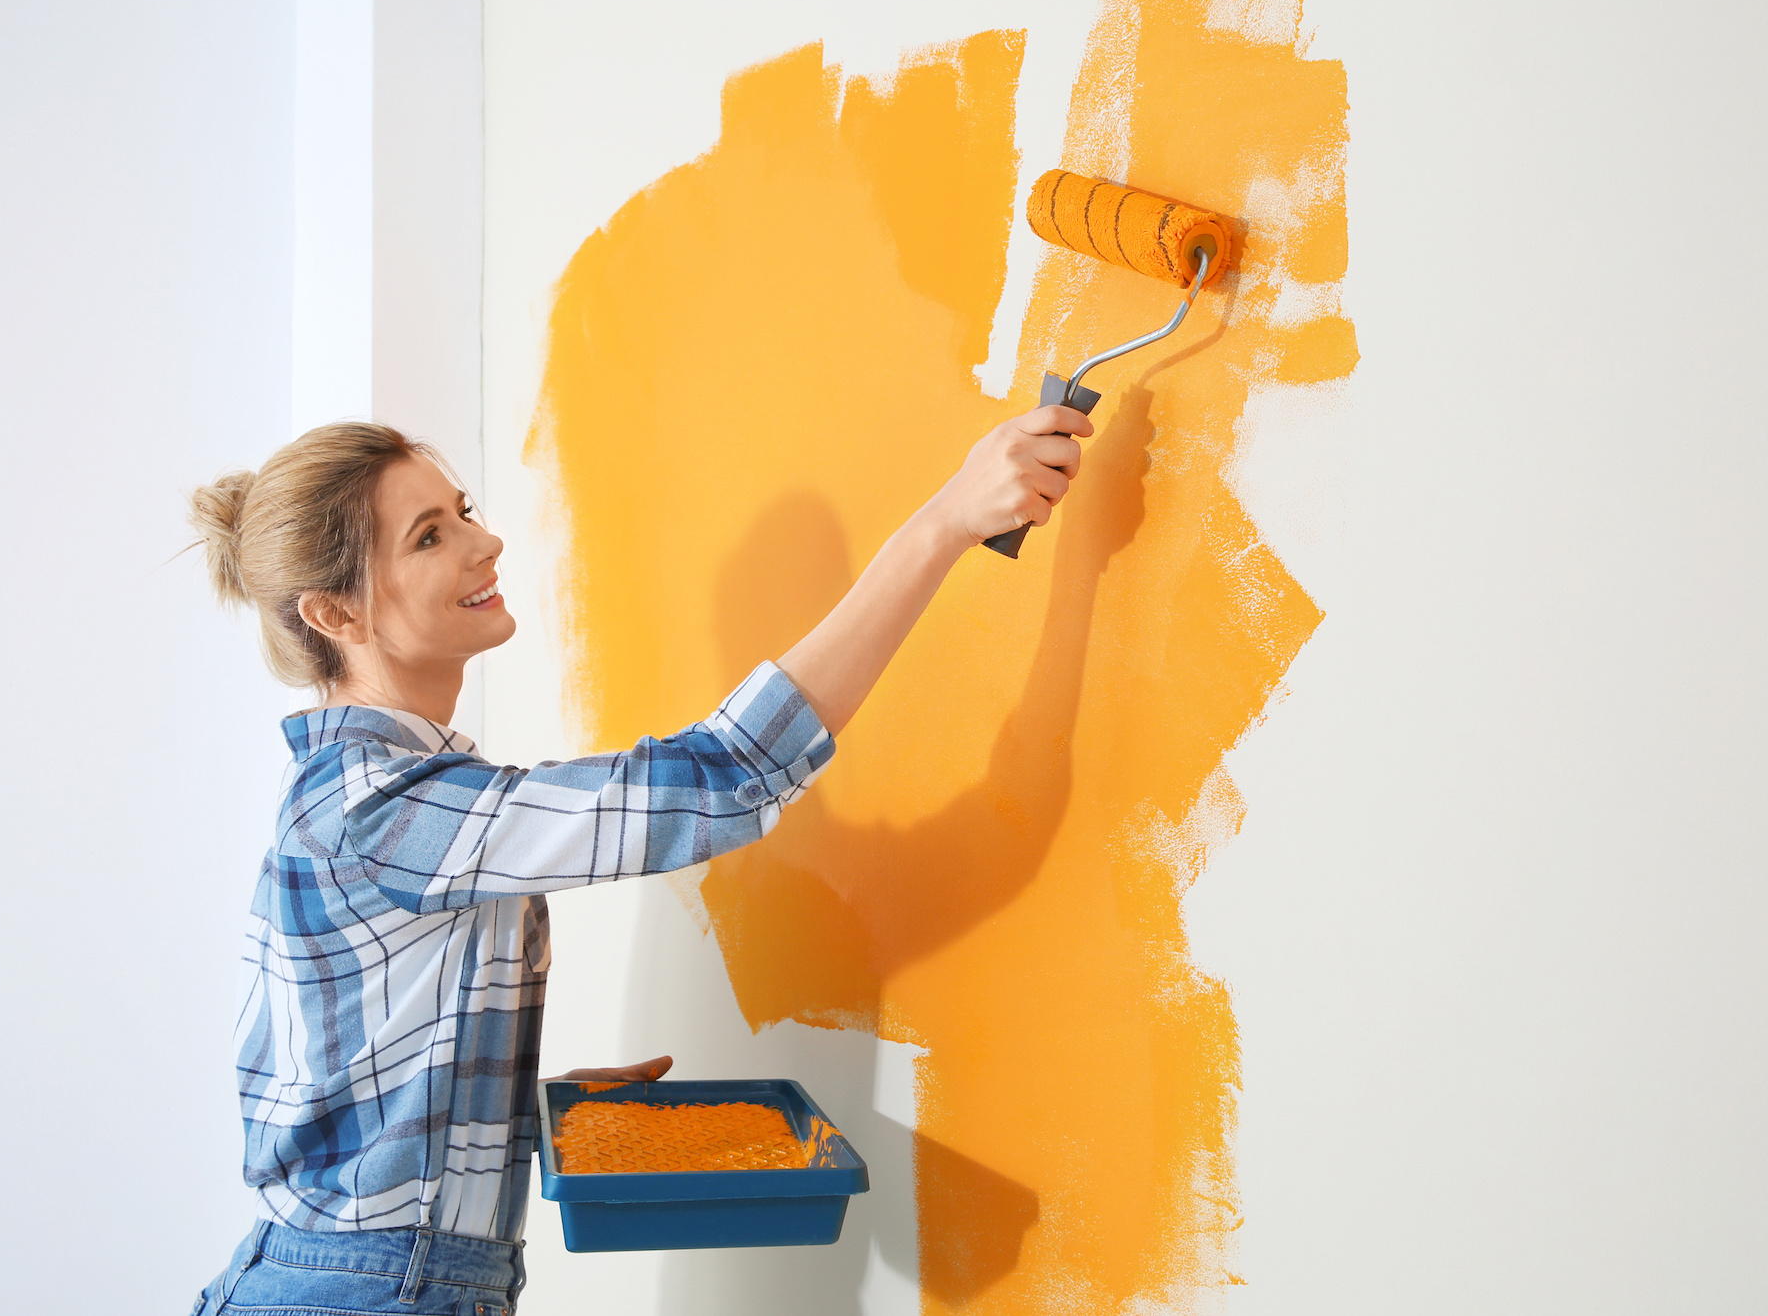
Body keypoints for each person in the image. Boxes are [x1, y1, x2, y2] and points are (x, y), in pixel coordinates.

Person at [184, 405, 1092, 1314]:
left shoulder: (369, 792)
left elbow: (339, 1082)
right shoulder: (380, 806)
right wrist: (944, 522)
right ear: (335, 611)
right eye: (430, 536)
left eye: (463, 509)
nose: (486, 541)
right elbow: (724, 775)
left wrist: (514, 1103)